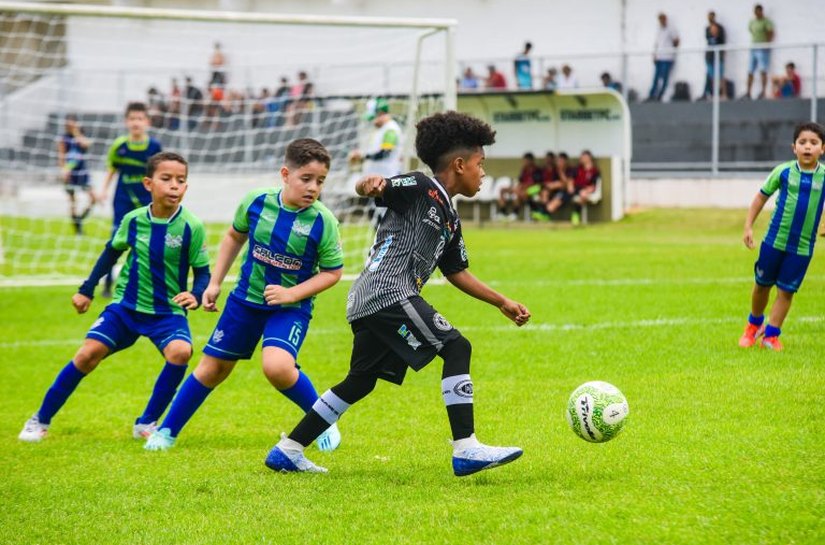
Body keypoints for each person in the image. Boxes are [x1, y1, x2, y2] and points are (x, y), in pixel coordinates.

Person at [264, 111, 531, 476]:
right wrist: (370, 183)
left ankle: (288, 449)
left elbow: (457, 272)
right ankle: (466, 447)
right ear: (459, 164)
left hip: (369, 298)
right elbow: (375, 187)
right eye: (480, 163)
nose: (482, 173)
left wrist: (502, 301)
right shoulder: (422, 186)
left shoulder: (450, 218)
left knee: (360, 381)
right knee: (456, 346)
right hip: (387, 291)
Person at [144, 138, 345, 452]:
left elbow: (333, 273)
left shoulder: (323, 221)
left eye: (320, 181)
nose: (312, 188)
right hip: (245, 301)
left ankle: (322, 421)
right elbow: (233, 237)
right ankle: (166, 431)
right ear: (285, 174)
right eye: (305, 179)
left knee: (277, 368)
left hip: (290, 308)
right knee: (213, 368)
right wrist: (214, 283)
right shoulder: (256, 202)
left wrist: (292, 294)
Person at [19, 152, 211, 442]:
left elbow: (203, 272)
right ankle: (40, 419)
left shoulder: (191, 226)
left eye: (181, 180)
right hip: (126, 308)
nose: (174, 186)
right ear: (148, 183)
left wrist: (196, 294)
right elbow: (111, 252)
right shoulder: (133, 221)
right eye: (166, 179)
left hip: (166, 313)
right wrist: (87, 289)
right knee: (87, 354)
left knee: (181, 352)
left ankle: (147, 422)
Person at [738, 122, 825, 351]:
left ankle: (772, 335)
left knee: (786, 291)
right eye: (802, 142)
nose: (807, 147)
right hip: (774, 240)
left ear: (822, 149)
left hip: (803, 247)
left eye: (813, 143)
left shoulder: (824, 176)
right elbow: (760, 198)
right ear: (794, 147)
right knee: (761, 285)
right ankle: (754, 325)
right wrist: (748, 226)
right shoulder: (784, 171)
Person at [98, 102, 163, 298]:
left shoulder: (154, 146)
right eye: (132, 119)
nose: (136, 123)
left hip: (147, 201)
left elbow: (161, 173)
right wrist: (103, 190)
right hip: (122, 200)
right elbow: (112, 169)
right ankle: (107, 285)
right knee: (116, 241)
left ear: (147, 122)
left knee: (151, 243)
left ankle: (149, 285)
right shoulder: (120, 146)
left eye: (140, 119)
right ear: (127, 122)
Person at [349, 97, 403, 227]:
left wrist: (362, 156)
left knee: (385, 220)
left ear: (380, 113)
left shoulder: (391, 130)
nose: (372, 121)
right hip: (376, 182)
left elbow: (384, 153)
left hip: (386, 181)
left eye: (374, 117)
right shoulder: (381, 130)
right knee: (375, 218)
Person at [57, 114, 96, 235]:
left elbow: (86, 145)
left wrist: (76, 133)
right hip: (70, 173)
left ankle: (80, 219)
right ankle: (77, 229)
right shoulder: (64, 138)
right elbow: (61, 155)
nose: (70, 125)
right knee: (73, 200)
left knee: (93, 198)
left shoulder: (80, 135)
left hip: (82, 172)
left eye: (72, 123)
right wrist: (63, 170)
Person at [498, 152, 542, 220]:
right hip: (521, 188)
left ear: (530, 161)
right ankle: (503, 212)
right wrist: (517, 187)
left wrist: (521, 187)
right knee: (502, 190)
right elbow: (520, 181)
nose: (524, 162)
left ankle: (515, 213)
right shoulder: (524, 169)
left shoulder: (537, 170)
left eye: (525, 160)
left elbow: (535, 184)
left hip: (532, 189)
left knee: (519, 193)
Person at [744, 4, 774, 100]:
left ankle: (763, 92)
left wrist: (766, 45)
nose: (757, 14)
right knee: (750, 70)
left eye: (758, 11)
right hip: (753, 48)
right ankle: (748, 92)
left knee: (763, 70)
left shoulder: (766, 21)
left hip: (762, 48)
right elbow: (751, 31)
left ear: (761, 11)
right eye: (755, 12)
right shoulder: (752, 22)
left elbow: (770, 33)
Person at [648, 13, 680, 102]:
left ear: (665, 19)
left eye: (662, 19)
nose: (661, 21)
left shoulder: (671, 29)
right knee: (656, 77)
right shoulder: (659, 30)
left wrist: (671, 50)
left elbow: (676, 41)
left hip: (667, 57)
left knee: (664, 77)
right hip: (659, 57)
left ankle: (660, 95)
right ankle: (652, 95)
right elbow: (657, 43)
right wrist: (654, 55)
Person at [568, 150, 601, 226]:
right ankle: (576, 215)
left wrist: (587, 191)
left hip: (587, 190)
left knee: (583, 195)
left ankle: (576, 214)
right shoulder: (577, 169)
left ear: (589, 158)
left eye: (584, 157)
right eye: (581, 157)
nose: (582, 159)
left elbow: (594, 185)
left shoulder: (594, 171)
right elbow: (571, 179)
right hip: (576, 189)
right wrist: (570, 186)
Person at [701, 12, 727, 100]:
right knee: (711, 76)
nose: (710, 19)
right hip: (710, 56)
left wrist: (723, 55)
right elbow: (708, 40)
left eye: (711, 17)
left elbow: (723, 42)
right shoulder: (707, 28)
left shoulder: (720, 28)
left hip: (719, 55)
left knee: (720, 75)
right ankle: (712, 93)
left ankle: (723, 94)